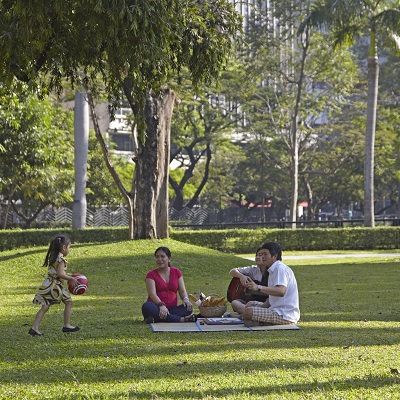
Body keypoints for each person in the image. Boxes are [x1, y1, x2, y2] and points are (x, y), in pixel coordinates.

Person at [29, 235, 80, 336]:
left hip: (49, 284)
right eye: (69, 247)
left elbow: (57, 273)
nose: (69, 249)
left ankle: (34, 328)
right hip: (55, 287)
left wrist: (68, 276)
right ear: (64, 248)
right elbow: (60, 274)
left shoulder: (53, 256)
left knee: (45, 306)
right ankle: (66, 325)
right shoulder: (62, 260)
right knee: (68, 303)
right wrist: (71, 278)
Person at [242, 242, 300, 327]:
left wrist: (258, 287)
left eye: (265, 254)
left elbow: (281, 291)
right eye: (261, 254)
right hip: (275, 309)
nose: (262, 257)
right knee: (250, 304)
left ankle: (258, 321)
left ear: (275, 256)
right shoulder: (272, 270)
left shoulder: (279, 269)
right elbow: (272, 298)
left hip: (284, 314)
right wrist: (261, 307)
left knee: (248, 312)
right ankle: (252, 319)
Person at [142, 246, 197, 324]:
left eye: (162, 256)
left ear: (169, 259)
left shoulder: (176, 272)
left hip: (172, 309)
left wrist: (186, 299)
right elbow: (152, 294)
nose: (159, 259)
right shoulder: (151, 275)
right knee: (146, 306)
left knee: (188, 308)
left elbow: (182, 291)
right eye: (157, 257)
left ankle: (157, 319)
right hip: (156, 307)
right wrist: (161, 306)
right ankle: (181, 319)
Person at [228, 247, 269, 315]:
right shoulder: (252, 269)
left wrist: (257, 288)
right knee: (234, 303)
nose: (258, 257)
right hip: (250, 302)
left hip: (265, 303)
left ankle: (246, 314)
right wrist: (241, 276)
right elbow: (232, 271)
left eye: (261, 255)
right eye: (257, 255)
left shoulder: (272, 273)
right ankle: (250, 313)